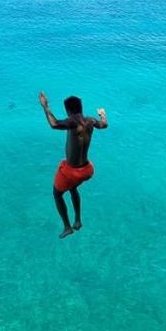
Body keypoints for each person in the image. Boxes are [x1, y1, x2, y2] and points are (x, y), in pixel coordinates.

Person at [38, 91, 108, 238]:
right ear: (81, 107)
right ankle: (78, 220)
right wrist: (102, 114)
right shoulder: (90, 121)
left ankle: (67, 227)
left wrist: (45, 106)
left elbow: (54, 124)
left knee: (57, 194)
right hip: (87, 169)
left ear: (68, 111)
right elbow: (105, 124)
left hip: (72, 171)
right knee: (73, 188)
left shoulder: (72, 122)